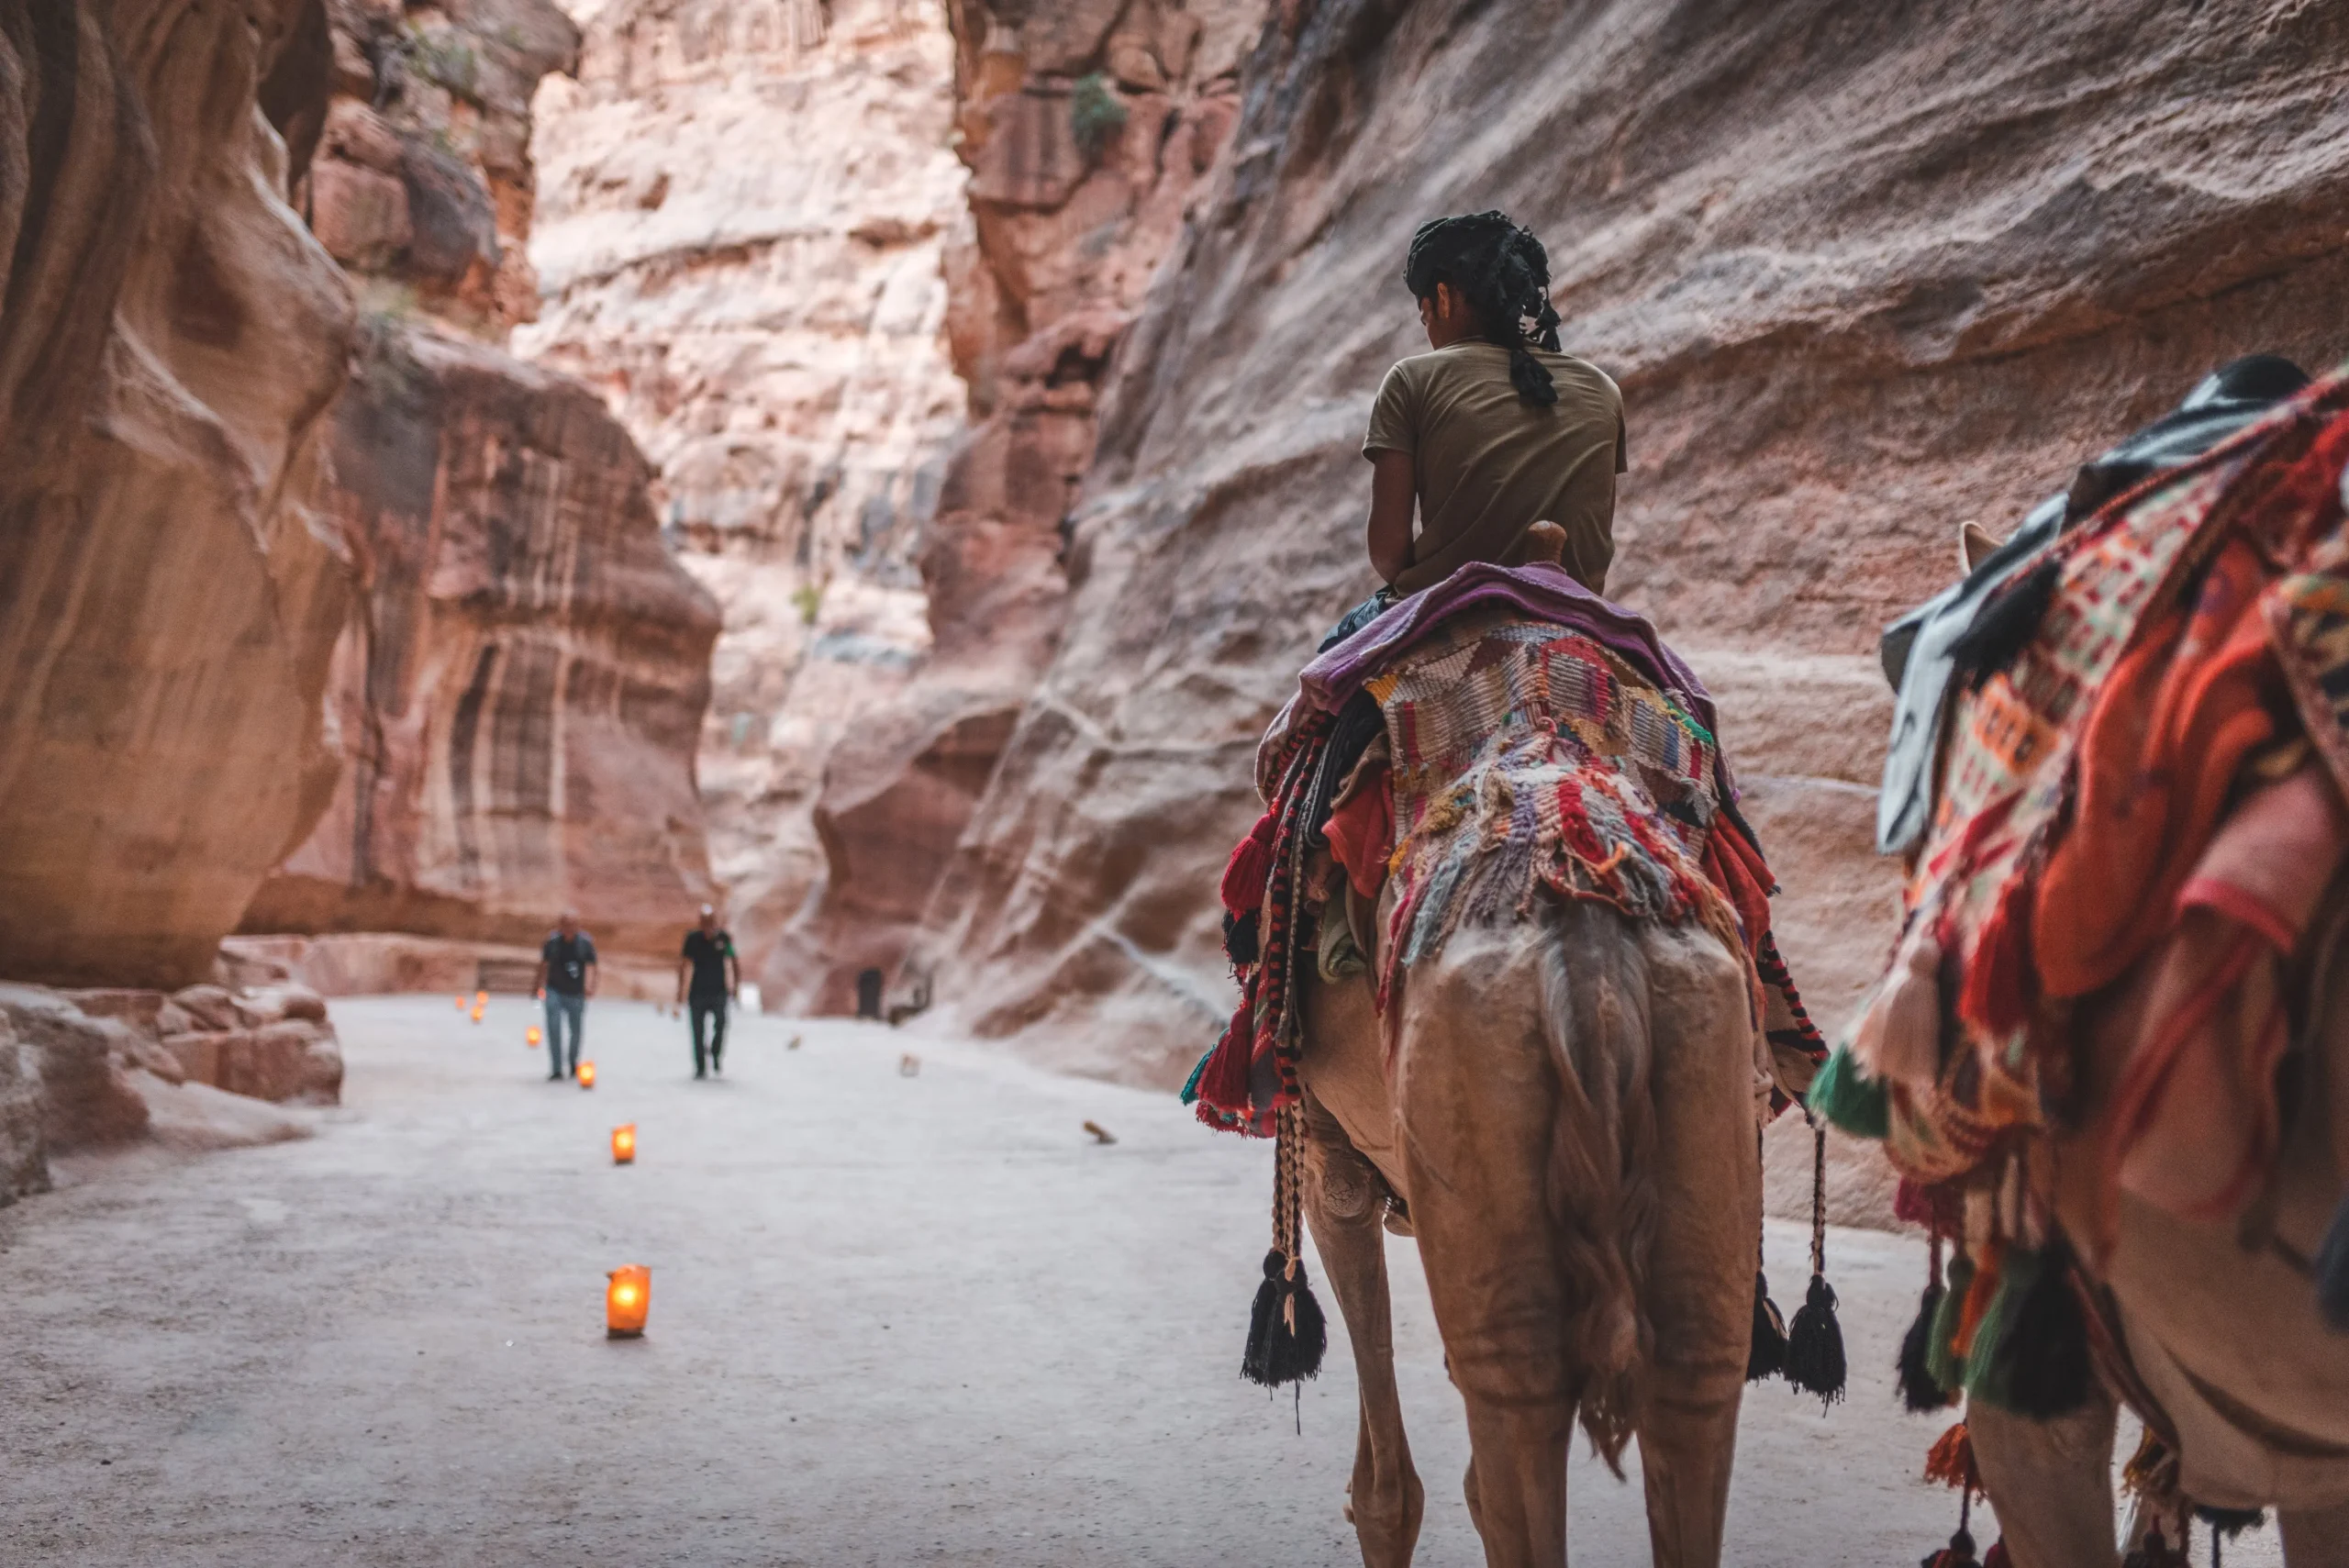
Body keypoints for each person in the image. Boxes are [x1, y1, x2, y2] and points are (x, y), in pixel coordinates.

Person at [1363, 210, 1627, 596]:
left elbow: (1387, 554)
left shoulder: (1410, 380)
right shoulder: (1603, 388)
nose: (1429, 333)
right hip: (1575, 607)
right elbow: (1594, 536)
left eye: (1425, 319)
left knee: (1338, 649)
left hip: (1452, 605)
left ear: (1442, 298)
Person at [532, 912, 597, 1080]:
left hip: (576, 993)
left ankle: (573, 1062)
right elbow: (544, 965)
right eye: (565, 925)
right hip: (554, 990)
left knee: (575, 1030)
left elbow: (592, 966)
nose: (568, 928)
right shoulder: (552, 943)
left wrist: (590, 986)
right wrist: (537, 985)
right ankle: (556, 1068)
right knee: (553, 1027)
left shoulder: (585, 944)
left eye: (572, 925)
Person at [676, 905, 739, 1079]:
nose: (707, 925)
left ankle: (716, 1053)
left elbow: (733, 960)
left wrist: (736, 986)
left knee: (721, 1024)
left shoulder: (723, 939)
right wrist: (679, 993)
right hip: (697, 993)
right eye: (704, 922)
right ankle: (700, 1066)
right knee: (697, 1031)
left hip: (719, 992)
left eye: (710, 922)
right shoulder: (692, 939)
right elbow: (684, 965)